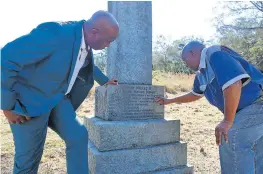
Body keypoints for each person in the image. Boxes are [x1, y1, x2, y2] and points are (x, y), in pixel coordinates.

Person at [1, 10, 119, 174]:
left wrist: (105, 80)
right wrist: (7, 106)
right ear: (94, 32)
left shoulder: (85, 41)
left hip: (57, 98)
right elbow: (6, 57)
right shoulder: (56, 34)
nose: (108, 45)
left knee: (78, 136)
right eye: (108, 41)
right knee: (28, 160)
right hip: (29, 101)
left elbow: (85, 64)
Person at [156, 41, 263, 173]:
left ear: (192, 53)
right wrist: (170, 101)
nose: (185, 64)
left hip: (257, 104)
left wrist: (227, 121)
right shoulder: (201, 74)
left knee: (230, 136)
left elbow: (234, 83)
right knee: (257, 154)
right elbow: (195, 94)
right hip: (249, 110)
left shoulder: (214, 54)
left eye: (185, 60)